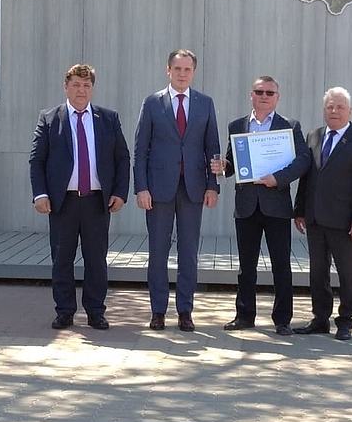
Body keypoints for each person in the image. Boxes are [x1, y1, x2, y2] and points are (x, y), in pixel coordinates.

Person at [29, 64, 131, 331]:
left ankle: (96, 311)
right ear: (66, 87)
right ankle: (64, 311)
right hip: (62, 202)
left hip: (97, 201)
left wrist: (120, 192)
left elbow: (122, 158)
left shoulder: (108, 119)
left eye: (86, 85)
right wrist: (40, 194)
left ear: (92, 89)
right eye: (75, 84)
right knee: (62, 259)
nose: (81, 90)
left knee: (96, 259)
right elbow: (37, 160)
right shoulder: (50, 119)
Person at [211, 76, 312, 336]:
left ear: (277, 97)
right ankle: (244, 316)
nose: (264, 96)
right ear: (251, 95)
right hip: (246, 206)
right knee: (246, 266)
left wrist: (278, 178)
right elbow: (233, 164)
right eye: (259, 91)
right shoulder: (237, 126)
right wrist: (224, 167)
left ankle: (282, 320)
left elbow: (303, 161)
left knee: (281, 265)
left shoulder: (289, 126)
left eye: (269, 92)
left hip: (276, 205)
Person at [134, 49, 220, 332]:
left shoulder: (205, 103)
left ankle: (185, 311)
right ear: (168, 70)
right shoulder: (152, 103)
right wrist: (141, 187)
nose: (182, 74)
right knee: (158, 251)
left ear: (193, 72)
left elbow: (212, 147)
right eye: (177, 69)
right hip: (158, 190)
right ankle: (158, 311)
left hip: (193, 189)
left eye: (187, 69)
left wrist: (212, 185)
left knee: (189, 253)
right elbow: (140, 149)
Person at [294, 87, 352, 340]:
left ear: (350, 111)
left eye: (340, 107)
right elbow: (306, 178)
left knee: (347, 274)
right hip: (315, 218)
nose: (334, 111)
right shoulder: (313, 136)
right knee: (318, 272)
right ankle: (320, 319)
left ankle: (345, 321)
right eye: (330, 106)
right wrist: (300, 210)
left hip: (346, 222)